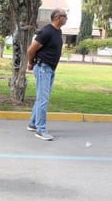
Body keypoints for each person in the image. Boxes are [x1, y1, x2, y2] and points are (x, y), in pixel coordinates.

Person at [27, 8, 68, 141]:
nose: (66, 18)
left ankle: (33, 123)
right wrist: (30, 63)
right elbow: (31, 50)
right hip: (43, 67)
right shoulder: (47, 31)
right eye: (65, 16)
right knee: (43, 99)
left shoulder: (58, 31)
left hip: (50, 69)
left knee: (41, 98)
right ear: (57, 18)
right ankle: (41, 129)